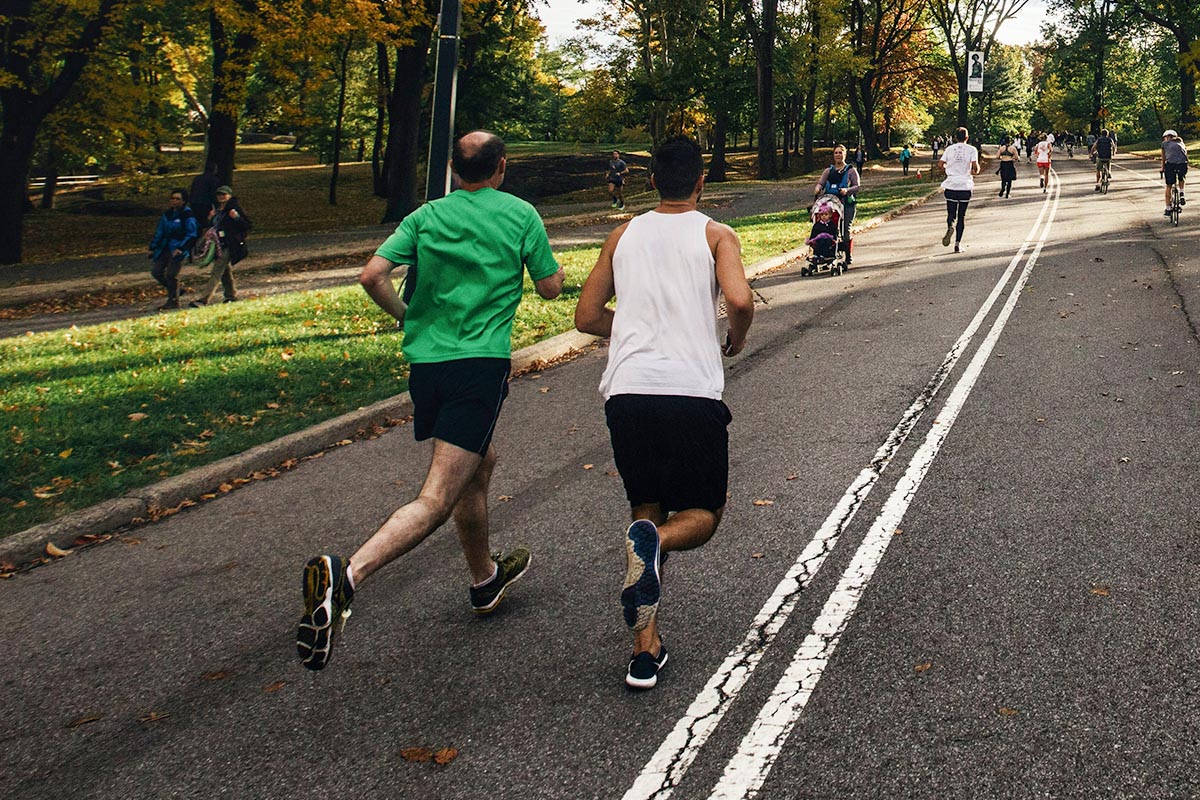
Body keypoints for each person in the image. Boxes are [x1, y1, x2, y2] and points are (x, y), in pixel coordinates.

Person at [296, 131, 564, 672]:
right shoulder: (519, 214)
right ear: (502, 167)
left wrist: (406, 315)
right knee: (438, 496)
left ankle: (484, 581)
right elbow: (551, 289)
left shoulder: (425, 216)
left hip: (427, 367)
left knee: (479, 466)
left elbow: (372, 274)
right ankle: (347, 579)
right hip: (477, 368)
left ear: (453, 168)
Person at [573, 136, 753, 690]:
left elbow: (585, 315)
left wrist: (630, 331)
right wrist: (735, 337)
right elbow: (741, 301)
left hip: (626, 392)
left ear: (650, 181)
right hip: (690, 392)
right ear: (702, 182)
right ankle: (660, 546)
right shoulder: (715, 234)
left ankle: (644, 651)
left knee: (645, 508)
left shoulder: (621, 234)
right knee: (702, 513)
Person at [189, 186, 249, 306]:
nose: (221, 196)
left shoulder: (234, 209)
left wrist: (236, 217)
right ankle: (231, 295)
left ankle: (204, 299)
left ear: (230, 195)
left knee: (216, 271)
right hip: (217, 244)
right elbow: (212, 227)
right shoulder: (217, 210)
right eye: (219, 194)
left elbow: (247, 225)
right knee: (224, 270)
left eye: (224, 194)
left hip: (229, 245)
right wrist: (210, 218)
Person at [148, 188, 198, 310]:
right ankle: (176, 290)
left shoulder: (187, 215)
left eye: (178, 199)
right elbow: (160, 231)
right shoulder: (167, 214)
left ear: (184, 201)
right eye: (172, 198)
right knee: (156, 271)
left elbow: (192, 233)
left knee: (171, 274)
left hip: (179, 247)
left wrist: (181, 248)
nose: (174, 201)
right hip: (165, 247)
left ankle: (173, 300)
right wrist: (153, 246)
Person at [814, 144, 860, 264]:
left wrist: (847, 190)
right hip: (831, 205)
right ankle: (827, 253)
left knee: (845, 230)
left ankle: (848, 255)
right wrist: (818, 188)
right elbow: (821, 183)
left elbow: (857, 186)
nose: (838, 155)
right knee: (830, 229)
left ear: (845, 154)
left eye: (840, 153)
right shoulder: (828, 171)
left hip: (846, 204)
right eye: (836, 153)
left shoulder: (851, 170)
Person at [937, 127, 980, 253]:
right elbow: (975, 168)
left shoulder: (949, 149)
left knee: (951, 213)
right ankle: (957, 244)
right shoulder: (972, 149)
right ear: (967, 137)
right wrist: (972, 170)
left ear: (955, 137)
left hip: (951, 184)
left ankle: (950, 226)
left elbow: (940, 164)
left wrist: (947, 169)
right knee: (962, 216)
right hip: (965, 186)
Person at [1160, 129, 1188, 215]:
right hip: (1182, 164)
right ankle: (1182, 193)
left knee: (1169, 186)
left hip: (1171, 165)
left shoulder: (1164, 144)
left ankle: (1168, 208)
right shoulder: (1181, 142)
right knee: (1181, 177)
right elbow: (1185, 155)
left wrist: (1162, 168)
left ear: (1167, 137)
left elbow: (1164, 158)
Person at [189, 162, 220, 232]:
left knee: (197, 221)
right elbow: (213, 193)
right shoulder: (214, 179)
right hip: (205, 203)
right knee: (205, 222)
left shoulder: (197, 178)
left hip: (194, 202)